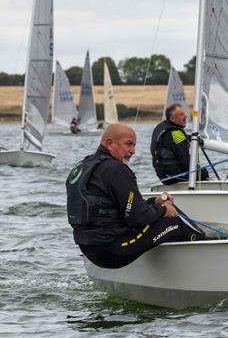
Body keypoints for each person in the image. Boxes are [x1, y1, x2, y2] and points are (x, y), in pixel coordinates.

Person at [67, 123, 204, 269]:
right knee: (174, 221)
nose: (133, 151)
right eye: (128, 144)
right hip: (112, 250)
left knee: (158, 205)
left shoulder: (84, 165)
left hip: (89, 249)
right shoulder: (116, 170)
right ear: (109, 143)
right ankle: (205, 246)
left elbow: (125, 209)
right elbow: (137, 217)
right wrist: (164, 210)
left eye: (134, 145)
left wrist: (156, 203)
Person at [150, 103, 208, 185]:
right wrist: (201, 172)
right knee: (203, 173)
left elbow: (169, 141)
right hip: (175, 176)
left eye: (184, 113)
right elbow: (185, 160)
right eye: (181, 114)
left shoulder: (160, 127)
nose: (185, 116)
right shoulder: (176, 134)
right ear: (173, 118)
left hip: (164, 176)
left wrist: (189, 138)